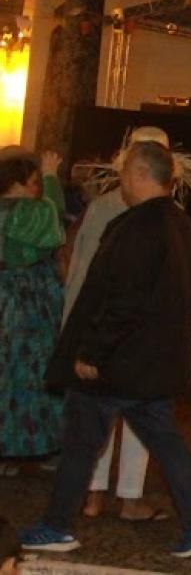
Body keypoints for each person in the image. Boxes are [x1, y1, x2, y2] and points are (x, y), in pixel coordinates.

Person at [23, 141, 191, 559]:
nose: (120, 182)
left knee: (80, 442)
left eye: (124, 172)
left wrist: (91, 352)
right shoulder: (183, 225)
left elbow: (121, 299)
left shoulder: (137, 226)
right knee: (166, 442)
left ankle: (57, 525)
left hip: (118, 364)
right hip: (153, 363)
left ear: (138, 173)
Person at [68, 126, 191, 523]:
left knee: (121, 423)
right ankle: (103, 497)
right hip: (125, 340)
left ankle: (105, 497)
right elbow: (85, 276)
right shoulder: (122, 211)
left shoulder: (156, 215)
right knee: (119, 422)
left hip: (130, 341)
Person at [0, 149, 66, 475]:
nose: (36, 187)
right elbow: (56, 219)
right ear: (18, 183)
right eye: (33, 181)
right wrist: (53, 177)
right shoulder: (28, 212)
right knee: (36, 373)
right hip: (27, 304)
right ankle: (40, 446)